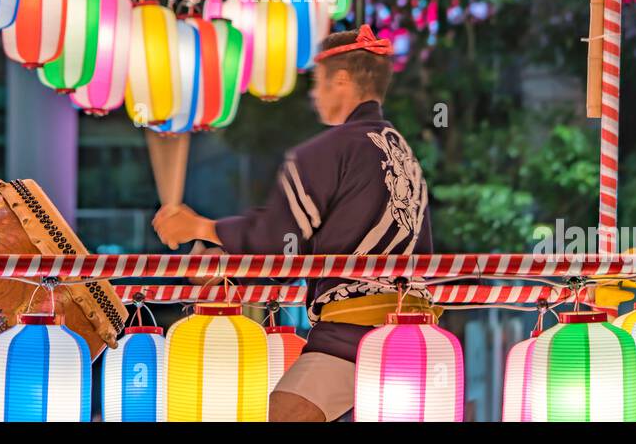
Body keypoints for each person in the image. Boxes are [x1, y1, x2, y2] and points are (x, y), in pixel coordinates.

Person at [153, 25, 432, 423]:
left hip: (352, 336)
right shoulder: (405, 155)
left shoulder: (329, 150)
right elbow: (295, 254)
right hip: (413, 334)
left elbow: (276, 240)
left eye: (317, 83)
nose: (314, 94)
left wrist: (200, 227)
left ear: (340, 79)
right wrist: (231, 272)